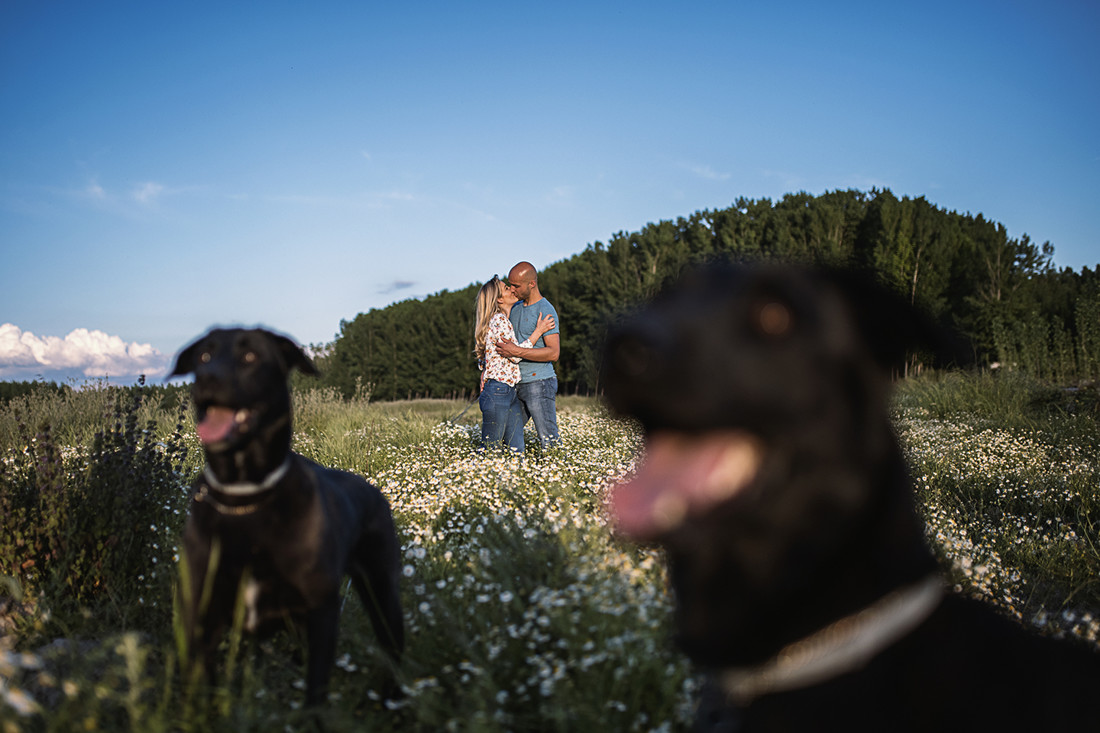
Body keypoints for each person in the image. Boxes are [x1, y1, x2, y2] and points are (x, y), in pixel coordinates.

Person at [473, 276, 555, 452]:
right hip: (498, 391)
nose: (512, 289)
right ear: (499, 299)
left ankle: (515, 475)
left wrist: (485, 371)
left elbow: (487, 356)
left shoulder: (502, 320)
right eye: (506, 288)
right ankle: (480, 474)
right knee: (491, 447)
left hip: (507, 390)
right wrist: (538, 331)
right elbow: (515, 355)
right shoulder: (500, 321)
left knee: (515, 446)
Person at [496, 261, 561, 449]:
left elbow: (553, 352)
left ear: (531, 284)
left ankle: (556, 473)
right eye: (510, 285)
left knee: (548, 439)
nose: (512, 289)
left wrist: (517, 351)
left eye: (516, 285)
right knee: (508, 437)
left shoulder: (546, 310)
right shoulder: (515, 308)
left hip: (539, 383)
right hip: (515, 384)